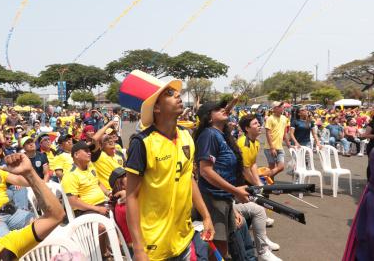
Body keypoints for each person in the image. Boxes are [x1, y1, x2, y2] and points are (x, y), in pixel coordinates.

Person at [120, 70, 214, 260]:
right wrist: (138, 248)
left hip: (183, 239)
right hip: (152, 245)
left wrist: (206, 216)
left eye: (176, 93)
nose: (178, 95)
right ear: (156, 108)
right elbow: (131, 197)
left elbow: (189, 180)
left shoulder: (187, 136)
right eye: (169, 94)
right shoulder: (143, 142)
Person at [0, 153, 65, 261]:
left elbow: (55, 216)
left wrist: (29, 172)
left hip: (11, 212)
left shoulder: (5, 248)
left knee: (46, 232)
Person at [194, 100, 252, 259]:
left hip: (224, 198)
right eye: (217, 109)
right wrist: (235, 191)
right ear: (209, 118)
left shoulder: (222, 135)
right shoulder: (209, 135)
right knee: (216, 249)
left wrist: (232, 204)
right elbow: (205, 171)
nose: (223, 110)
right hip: (213, 199)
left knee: (222, 248)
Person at [236, 114, 282, 261]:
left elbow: (253, 164)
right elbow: (243, 169)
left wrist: (259, 183)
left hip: (247, 180)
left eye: (258, 123)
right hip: (238, 184)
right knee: (258, 207)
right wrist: (256, 185)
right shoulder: (243, 142)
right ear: (247, 128)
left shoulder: (255, 142)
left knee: (261, 201)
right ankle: (261, 243)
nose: (259, 125)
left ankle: (262, 239)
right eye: (255, 124)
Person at [264, 101, 291, 178]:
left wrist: (289, 145)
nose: (283, 108)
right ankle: (270, 186)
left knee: (281, 167)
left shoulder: (284, 118)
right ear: (275, 109)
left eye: (282, 106)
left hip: (280, 147)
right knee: (272, 167)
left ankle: (264, 177)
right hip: (269, 148)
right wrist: (272, 147)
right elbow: (268, 134)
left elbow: (285, 133)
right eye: (280, 106)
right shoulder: (270, 119)